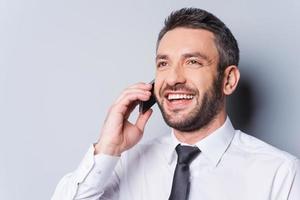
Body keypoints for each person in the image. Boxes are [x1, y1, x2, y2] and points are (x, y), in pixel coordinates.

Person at [51, 8, 300, 200]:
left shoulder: (281, 174)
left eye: (192, 62)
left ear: (228, 79)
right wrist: (107, 148)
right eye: (163, 64)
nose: (172, 78)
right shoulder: (123, 163)